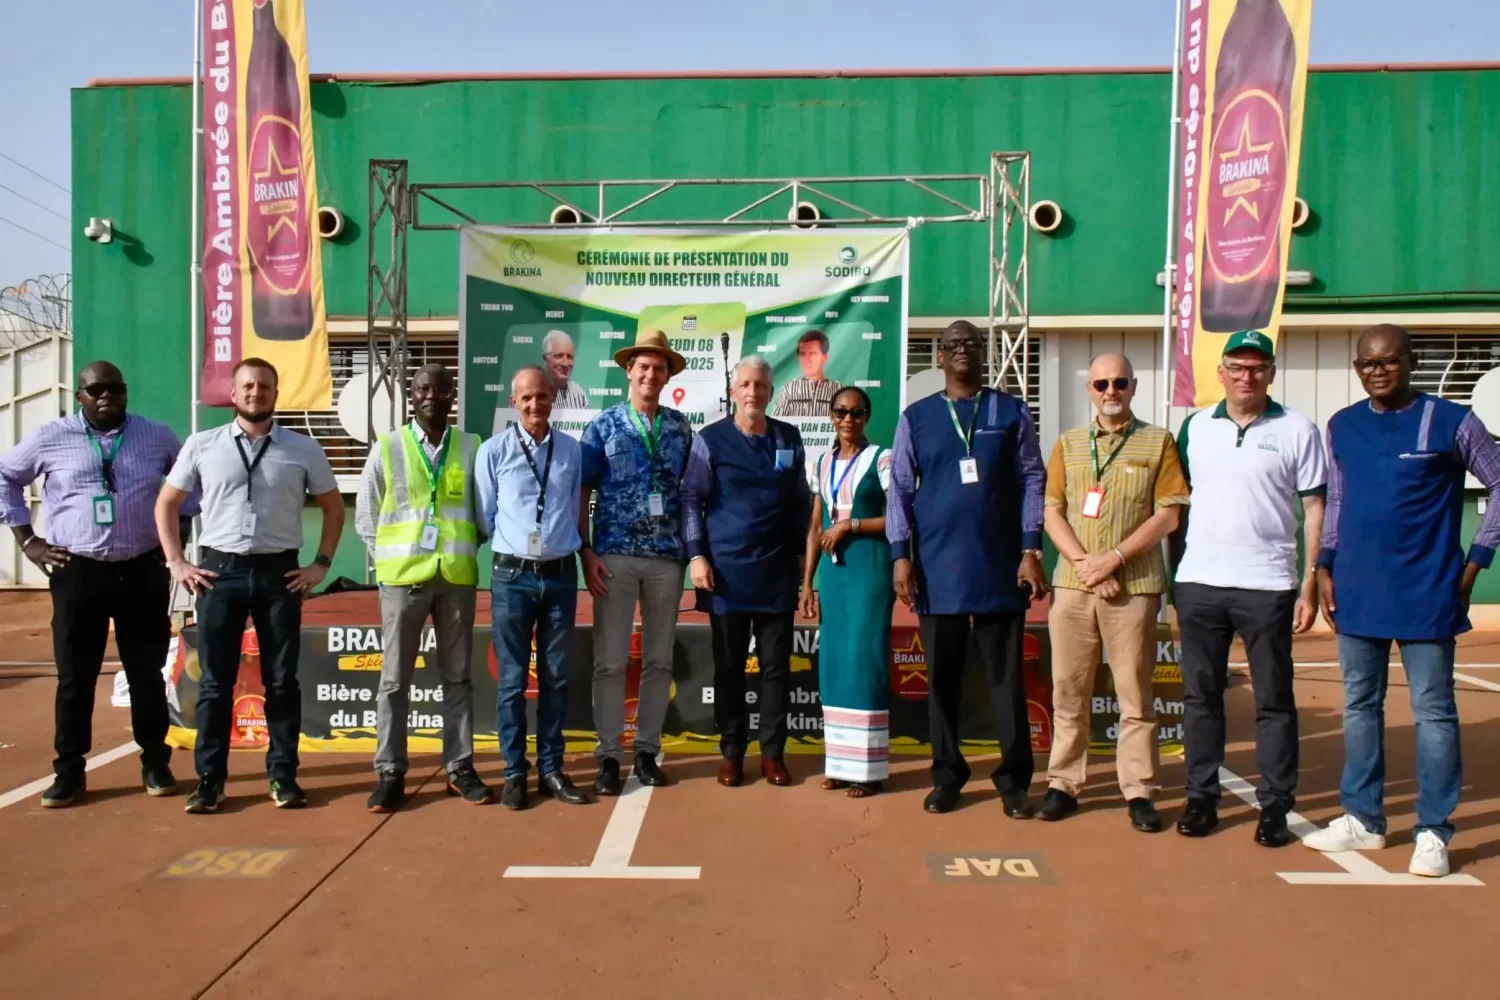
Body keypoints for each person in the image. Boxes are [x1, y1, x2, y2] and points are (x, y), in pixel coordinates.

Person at [1302, 324, 1500, 878]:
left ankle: (1434, 831)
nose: (1377, 370)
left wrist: (1476, 561)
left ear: (1410, 362)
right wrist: (1324, 565)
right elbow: (1337, 501)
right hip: (1356, 590)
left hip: (1428, 591)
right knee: (1361, 707)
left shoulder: (1451, 421)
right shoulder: (1342, 425)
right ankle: (1363, 819)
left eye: (1388, 361)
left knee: (1434, 712)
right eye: (1367, 363)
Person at [0, 361, 192, 807]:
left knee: (146, 674)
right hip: (77, 571)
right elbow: (5, 476)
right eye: (96, 389)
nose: (107, 396)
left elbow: (191, 480)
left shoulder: (156, 436)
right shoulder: (53, 436)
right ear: (80, 397)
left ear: (126, 393)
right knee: (75, 676)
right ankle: (69, 770)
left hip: (142, 569)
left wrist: (178, 533)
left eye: (116, 388)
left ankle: (155, 762)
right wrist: (27, 541)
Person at [156, 358, 344, 814]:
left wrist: (320, 564)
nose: (255, 392)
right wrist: (176, 561)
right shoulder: (203, 445)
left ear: (276, 395)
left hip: (281, 574)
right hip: (219, 574)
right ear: (233, 394)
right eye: (247, 385)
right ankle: (210, 781)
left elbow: (334, 508)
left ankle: (282, 776)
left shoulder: (303, 448)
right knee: (216, 684)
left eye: (264, 385)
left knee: (282, 681)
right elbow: (167, 503)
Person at [887, 320, 1049, 816]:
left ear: (984, 353)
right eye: (952, 345)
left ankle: (1014, 782)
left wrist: (1030, 549)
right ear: (938, 357)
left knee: (1006, 681)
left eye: (971, 344)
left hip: (1001, 567)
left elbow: (1032, 478)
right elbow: (900, 489)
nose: (961, 351)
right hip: (937, 570)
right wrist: (900, 556)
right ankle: (948, 776)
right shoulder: (916, 418)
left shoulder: (1011, 411)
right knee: (943, 681)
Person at [1172, 330, 1325, 846]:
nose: (1246, 376)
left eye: (1257, 367)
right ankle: (1201, 798)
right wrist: (1176, 582)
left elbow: (1313, 510)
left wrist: (1308, 584)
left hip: (1268, 585)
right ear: (1221, 372)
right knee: (1201, 697)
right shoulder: (1195, 427)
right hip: (1200, 583)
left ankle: (1276, 805)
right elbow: (1177, 504)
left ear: (1271, 374)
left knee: (1273, 700)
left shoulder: (1298, 429)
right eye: (1236, 366)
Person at [1038, 354, 1189, 832]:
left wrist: (1115, 559)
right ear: (1089, 388)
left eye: (1119, 382)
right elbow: (1051, 511)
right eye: (1101, 382)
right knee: (1069, 690)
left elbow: (1169, 514)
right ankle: (1063, 783)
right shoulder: (1068, 444)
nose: (1110, 390)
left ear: (1133, 386)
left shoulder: (1157, 440)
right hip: (1074, 584)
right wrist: (1087, 566)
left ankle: (1140, 790)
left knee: (1134, 695)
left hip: (1134, 586)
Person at [354, 364, 489, 813]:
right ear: (412, 397)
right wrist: (394, 558)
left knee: (459, 678)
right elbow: (367, 515)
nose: (432, 394)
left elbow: (482, 515)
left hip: (454, 577)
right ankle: (390, 771)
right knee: (394, 680)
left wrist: (453, 548)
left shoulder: (472, 446)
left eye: (441, 388)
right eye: (423, 388)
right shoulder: (388, 447)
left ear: (453, 395)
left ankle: (459, 766)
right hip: (402, 580)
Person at [683, 355, 810, 787]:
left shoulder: (789, 438)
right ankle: (733, 751)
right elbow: (690, 500)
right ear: (733, 392)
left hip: (775, 573)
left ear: (770, 392)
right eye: (745, 386)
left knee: (776, 667)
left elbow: (800, 504)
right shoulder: (709, 440)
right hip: (726, 573)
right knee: (730, 667)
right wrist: (697, 555)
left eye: (760, 386)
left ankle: (773, 753)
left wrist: (800, 566)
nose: (753, 392)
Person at [579, 330, 692, 795]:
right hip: (614, 556)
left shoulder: (682, 428)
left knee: (658, 661)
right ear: (629, 371)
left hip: (667, 558)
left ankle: (646, 750)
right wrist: (584, 551)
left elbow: (692, 494)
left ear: (667, 376)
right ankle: (608, 755)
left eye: (659, 367)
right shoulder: (601, 426)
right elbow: (582, 491)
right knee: (609, 660)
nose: (650, 374)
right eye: (643, 366)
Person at [477, 365, 590, 810]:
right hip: (511, 578)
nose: (534, 405)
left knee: (557, 678)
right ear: (513, 400)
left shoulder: (573, 452)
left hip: (561, 576)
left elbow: (575, 505)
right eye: (525, 398)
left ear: (553, 399)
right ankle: (513, 772)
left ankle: (551, 769)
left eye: (542, 397)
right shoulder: (493, 451)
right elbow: (486, 515)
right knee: (510, 682)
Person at [798, 386, 895, 797]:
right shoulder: (820, 463)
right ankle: (840, 764)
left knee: (864, 658)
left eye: (856, 412)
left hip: (870, 568)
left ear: (867, 416)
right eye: (841, 412)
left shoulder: (882, 458)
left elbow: (898, 518)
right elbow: (816, 526)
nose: (848, 419)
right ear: (831, 416)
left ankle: (868, 771)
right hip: (833, 578)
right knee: (835, 663)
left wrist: (852, 526)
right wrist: (806, 583)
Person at [772, 330, 843, 417]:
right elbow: (777, 424)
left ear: (825, 357)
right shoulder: (789, 389)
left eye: (813, 354)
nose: (807, 359)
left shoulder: (838, 390)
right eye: (802, 354)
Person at [542, 330, 589, 410]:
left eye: (570, 357)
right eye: (559, 356)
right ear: (545, 359)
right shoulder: (531, 392)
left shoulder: (578, 393)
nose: (565, 364)